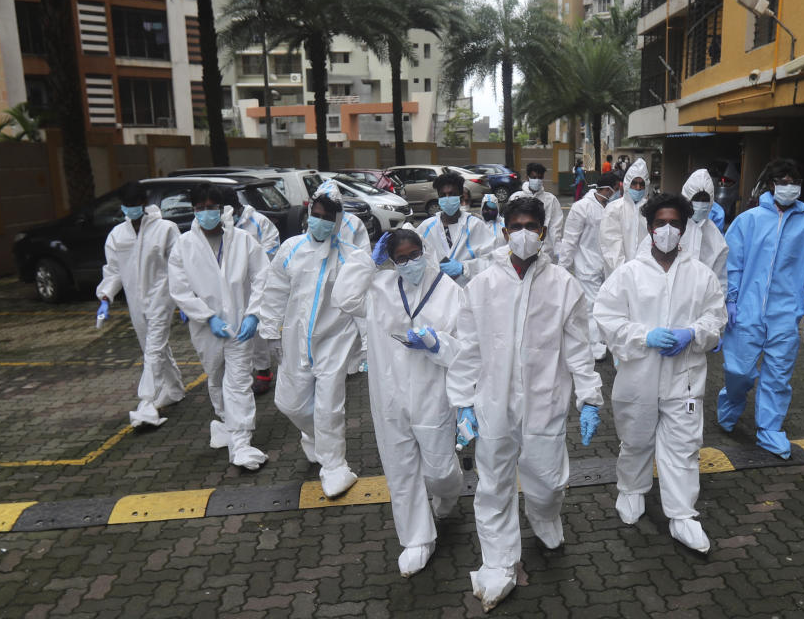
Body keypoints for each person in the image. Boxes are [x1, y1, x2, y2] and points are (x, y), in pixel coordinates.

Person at [447, 196, 604, 612]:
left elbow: (579, 349)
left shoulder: (564, 286)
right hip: (493, 402)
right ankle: (499, 561)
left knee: (548, 483)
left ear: (544, 231)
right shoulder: (481, 285)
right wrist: (463, 403)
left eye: (531, 226)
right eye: (515, 226)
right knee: (494, 485)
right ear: (503, 231)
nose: (522, 234)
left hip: (545, 402)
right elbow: (468, 348)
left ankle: (545, 516)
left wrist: (589, 396)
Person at [594, 193, 726, 553]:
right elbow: (606, 317)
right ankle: (632, 489)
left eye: (675, 224)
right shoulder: (628, 274)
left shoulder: (700, 275)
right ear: (649, 227)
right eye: (660, 223)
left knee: (683, 445)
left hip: (683, 376)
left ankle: (682, 515)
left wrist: (693, 334)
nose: (667, 230)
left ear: (684, 229)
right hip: (638, 375)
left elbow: (716, 318)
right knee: (636, 436)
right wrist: (643, 336)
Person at [334, 229, 464, 578]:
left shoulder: (449, 292)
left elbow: (465, 349)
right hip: (388, 394)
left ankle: (450, 494)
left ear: (426, 250)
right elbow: (344, 298)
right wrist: (366, 262)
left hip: (432, 395)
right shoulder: (379, 289)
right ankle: (417, 539)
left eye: (414, 254)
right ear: (391, 260)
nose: (409, 263)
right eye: (400, 258)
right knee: (400, 469)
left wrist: (437, 345)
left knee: (439, 471)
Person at [258, 182, 367, 496]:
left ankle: (335, 467)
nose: (320, 221)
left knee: (329, 408)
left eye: (327, 217)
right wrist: (270, 329)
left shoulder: (350, 256)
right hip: (296, 338)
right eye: (316, 214)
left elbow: (362, 304)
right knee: (290, 403)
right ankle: (314, 437)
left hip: (335, 339)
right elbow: (275, 290)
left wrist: (367, 348)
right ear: (309, 213)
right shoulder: (290, 248)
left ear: (337, 221)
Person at [716, 159, 804, 459]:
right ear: (770, 184)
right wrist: (730, 299)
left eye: (794, 181)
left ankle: (769, 428)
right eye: (783, 181)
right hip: (747, 311)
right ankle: (731, 401)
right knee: (738, 370)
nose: (788, 187)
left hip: (785, 315)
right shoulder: (748, 221)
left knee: (778, 376)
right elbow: (732, 264)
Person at [168, 184, 269, 470]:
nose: (206, 213)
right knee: (215, 377)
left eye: (211, 207)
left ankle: (242, 442)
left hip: (239, 326)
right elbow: (180, 289)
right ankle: (225, 421)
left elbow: (263, 277)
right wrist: (206, 316)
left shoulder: (243, 241)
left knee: (238, 382)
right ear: (194, 211)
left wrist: (254, 314)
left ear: (222, 208)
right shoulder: (183, 245)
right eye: (200, 208)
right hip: (206, 329)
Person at [96, 181, 185, 428]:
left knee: (154, 348)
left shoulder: (165, 229)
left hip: (161, 296)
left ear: (144, 204)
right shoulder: (118, 235)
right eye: (127, 205)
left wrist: (184, 298)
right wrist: (105, 297)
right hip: (135, 300)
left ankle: (146, 403)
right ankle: (174, 389)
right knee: (151, 348)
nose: (131, 209)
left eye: (135, 205)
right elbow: (113, 270)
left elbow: (178, 265)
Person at [224, 188, 281, 395]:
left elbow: (272, 247)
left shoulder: (258, 221)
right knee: (235, 331)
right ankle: (240, 374)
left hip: (257, 283)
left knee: (258, 332)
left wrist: (249, 264)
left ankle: (264, 372)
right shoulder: (222, 225)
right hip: (232, 287)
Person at [559, 172, 620, 360]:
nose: (618, 193)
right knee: (592, 305)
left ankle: (601, 340)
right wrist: (562, 268)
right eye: (616, 190)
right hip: (586, 265)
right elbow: (570, 240)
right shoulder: (582, 207)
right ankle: (595, 345)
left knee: (607, 304)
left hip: (607, 266)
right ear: (608, 189)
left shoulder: (612, 207)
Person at [415, 170, 494, 287]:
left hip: (470, 291)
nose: (447, 198)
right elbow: (416, 261)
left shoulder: (475, 226)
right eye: (443, 195)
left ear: (460, 196)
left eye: (451, 194)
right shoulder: (426, 227)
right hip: (438, 292)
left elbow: (492, 261)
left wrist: (464, 268)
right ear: (438, 197)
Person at [600, 157, 651, 278]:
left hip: (644, 275)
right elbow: (611, 245)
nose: (638, 188)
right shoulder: (614, 209)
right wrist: (626, 274)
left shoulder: (650, 210)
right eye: (634, 183)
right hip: (619, 275)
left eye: (641, 184)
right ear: (627, 183)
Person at [680, 169, 728, 294]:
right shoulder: (673, 226)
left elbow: (720, 278)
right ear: (687, 198)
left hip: (703, 301)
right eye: (696, 199)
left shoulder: (715, 236)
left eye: (705, 200)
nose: (700, 204)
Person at [520, 162, 564, 263]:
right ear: (527, 177)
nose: (537, 180)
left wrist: (558, 251)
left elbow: (555, 227)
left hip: (545, 252)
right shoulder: (517, 198)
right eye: (534, 177)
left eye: (540, 178)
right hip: (521, 251)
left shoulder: (551, 200)